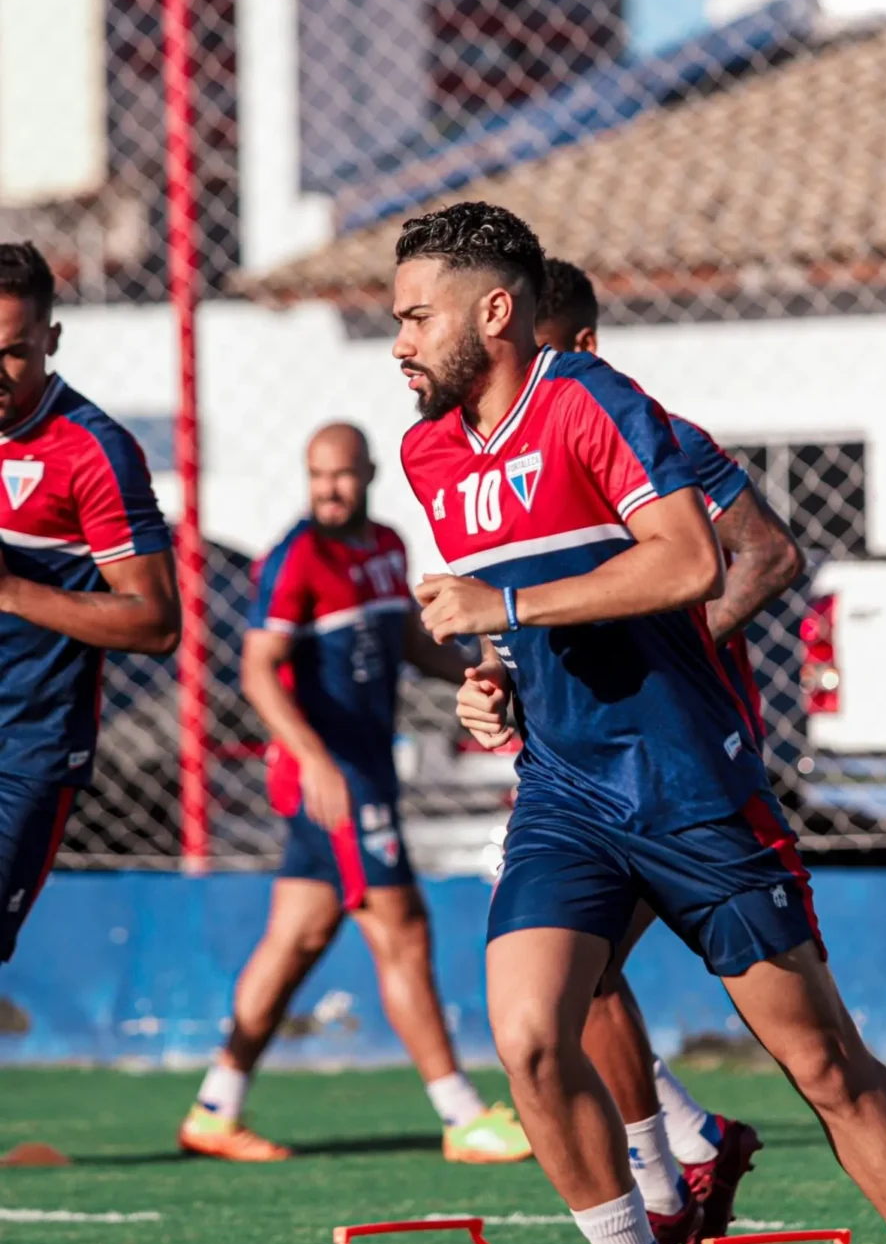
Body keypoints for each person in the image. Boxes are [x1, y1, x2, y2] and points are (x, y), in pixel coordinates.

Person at [396, 201, 886, 1244]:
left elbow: (690, 562)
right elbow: (514, 610)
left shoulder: (591, 403)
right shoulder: (429, 455)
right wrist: (493, 685)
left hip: (687, 788)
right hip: (563, 793)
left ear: (494, 312)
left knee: (823, 1065)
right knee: (529, 1037)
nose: (398, 340)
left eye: (415, 315)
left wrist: (505, 618)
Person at [534, 257, 805, 1244]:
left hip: (684, 760)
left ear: (582, 350)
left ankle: (675, 1167)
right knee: (569, 976)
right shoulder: (519, 467)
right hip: (587, 762)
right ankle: (682, 1152)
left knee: (805, 1040)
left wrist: (676, 653)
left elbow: (769, 555)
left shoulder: (659, 439)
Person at [178, 422, 531, 1167]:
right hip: (333, 782)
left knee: (297, 938)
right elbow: (255, 669)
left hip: (366, 771)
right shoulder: (295, 556)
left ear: (368, 473)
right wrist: (314, 762)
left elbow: (404, 640)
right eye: (316, 477)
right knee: (401, 931)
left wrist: (480, 671)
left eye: (340, 475)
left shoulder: (387, 545)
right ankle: (461, 1114)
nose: (328, 490)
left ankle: (216, 1106)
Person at [0, 242, 179, 961]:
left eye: (12, 352)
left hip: (22, 747)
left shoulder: (92, 452)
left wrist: (10, 590)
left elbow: (154, 621)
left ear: (50, 339)